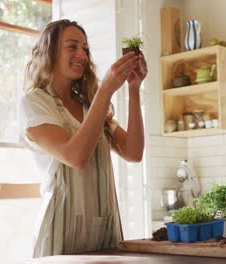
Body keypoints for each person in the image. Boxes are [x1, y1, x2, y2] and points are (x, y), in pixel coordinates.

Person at [19, 19, 146, 258]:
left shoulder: (89, 104)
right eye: (72, 46)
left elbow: (133, 152)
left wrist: (134, 89)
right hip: (60, 239)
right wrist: (106, 89)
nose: (82, 54)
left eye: (85, 48)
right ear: (50, 51)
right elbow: (75, 157)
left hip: (104, 235)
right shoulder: (34, 102)